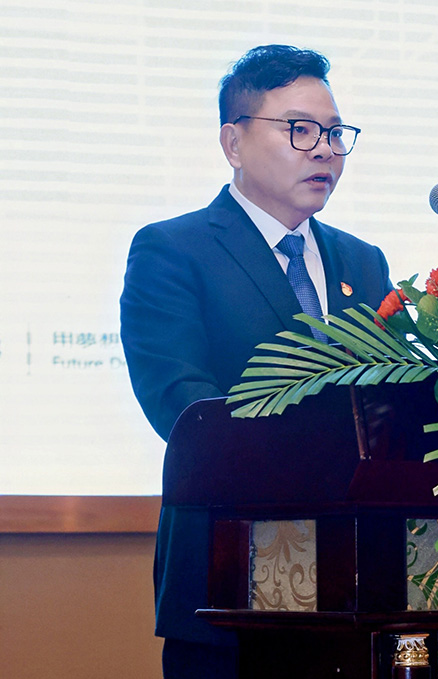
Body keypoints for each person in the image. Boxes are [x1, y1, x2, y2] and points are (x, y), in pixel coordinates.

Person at [120, 45, 393, 678]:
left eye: (335, 133)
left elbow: (386, 403)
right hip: (228, 587)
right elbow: (183, 408)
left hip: (358, 595)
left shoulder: (363, 261)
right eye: (300, 129)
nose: (324, 150)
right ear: (233, 143)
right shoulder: (173, 251)